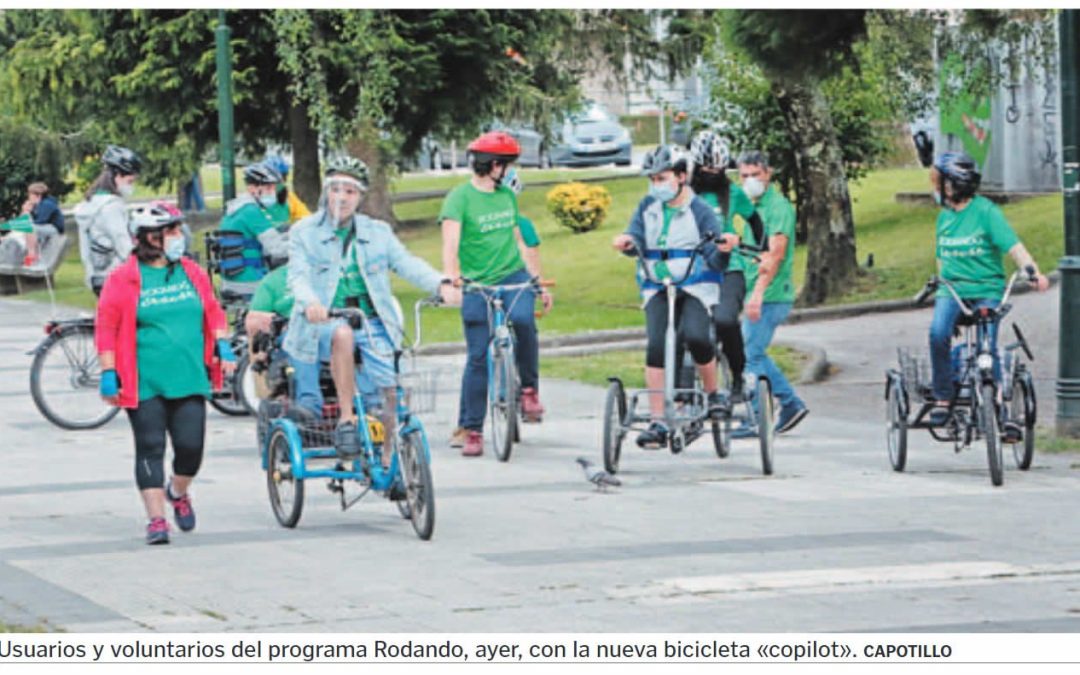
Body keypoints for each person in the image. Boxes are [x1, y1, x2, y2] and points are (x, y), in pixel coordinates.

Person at [283, 155, 460, 463]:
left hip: (372, 320)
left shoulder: (377, 232)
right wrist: (311, 303)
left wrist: (440, 283)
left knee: (390, 394)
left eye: (350, 191)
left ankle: (391, 459)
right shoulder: (304, 232)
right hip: (325, 322)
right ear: (326, 192)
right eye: (336, 189)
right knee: (342, 334)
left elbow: (406, 263)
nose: (342, 197)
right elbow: (298, 276)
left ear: (360, 196)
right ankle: (347, 420)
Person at [95, 203, 234, 545]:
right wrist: (108, 371)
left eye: (177, 229)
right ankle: (156, 520)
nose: (178, 237)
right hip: (143, 378)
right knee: (150, 445)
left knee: (191, 448)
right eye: (171, 231)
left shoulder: (190, 271)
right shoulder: (124, 278)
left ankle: (178, 490)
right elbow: (106, 326)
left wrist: (223, 345)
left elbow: (212, 310)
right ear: (150, 238)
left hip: (188, 375)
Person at [439, 131, 551, 457]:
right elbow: (450, 243)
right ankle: (473, 429)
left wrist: (536, 282)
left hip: (512, 274)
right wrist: (451, 279)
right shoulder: (458, 198)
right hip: (477, 283)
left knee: (524, 322)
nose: (508, 171)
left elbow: (518, 241)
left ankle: (528, 389)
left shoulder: (506, 196)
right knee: (477, 356)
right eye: (506, 165)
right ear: (493, 165)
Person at [611, 144, 731, 449]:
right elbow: (636, 234)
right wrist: (628, 242)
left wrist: (721, 250)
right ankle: (657, 420)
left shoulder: (699, 209)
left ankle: (713, 391)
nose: (656, 186)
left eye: (662, 178)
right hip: (657, 284)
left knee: (697, 336)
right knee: (657, 343)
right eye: (652, 180)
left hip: (694, 284)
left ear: (681, 176)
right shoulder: (646, 207)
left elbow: (713, 248)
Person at [926, 152, 1050, 430]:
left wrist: (1034, 272)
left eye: (940, 183)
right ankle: (943, 397)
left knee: (987, 345)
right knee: (938, 333)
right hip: (952, 291)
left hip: (986, 289)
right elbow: (942, 258)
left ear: (952, 185)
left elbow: (1013, 247)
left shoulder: (987, 212)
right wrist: (942, 291)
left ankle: (999, 405)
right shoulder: (943, 218)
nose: (936, 189)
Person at [732, 150, 808, 437]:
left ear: (768, 174)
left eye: (755, 175)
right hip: (759, 291)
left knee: (749, 355)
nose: (750, 180)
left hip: (771, 294)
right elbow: (755, 251)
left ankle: (756, 417)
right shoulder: (757, 207)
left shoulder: (777, 207)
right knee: (752, 351)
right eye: (744, 176)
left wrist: (758, 294)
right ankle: (789, 403)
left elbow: (775, 255)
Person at [688, 129, 765, 403]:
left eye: (718, 168)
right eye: (708, 167)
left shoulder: (732, 192)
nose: (713, 172)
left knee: (725, 320)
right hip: (691, 269)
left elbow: (755, 221)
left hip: (728, 267)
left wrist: (760, 249)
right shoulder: (683, 193)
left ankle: (738, 374)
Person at [75, 145, 141, 295]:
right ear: (117, 175)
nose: (131, 186)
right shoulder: (111, 208)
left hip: (97, 276)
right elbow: (123, 246)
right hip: (116, 277)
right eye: (130, 181)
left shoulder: (91, 202)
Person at [218, 161, 290, 283]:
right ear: (252, 188)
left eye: (273, 187)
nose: (273, 192)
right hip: (249, 279)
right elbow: (277, 250)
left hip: (231, 279)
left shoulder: (237, 208)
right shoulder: (251, 212)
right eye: (268, 188)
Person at [264, 155, 312, 225]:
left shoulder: (289, 197)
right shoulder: (255, 200)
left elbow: (306, 216)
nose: (281, 181)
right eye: (275, 178)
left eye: (284, 177)